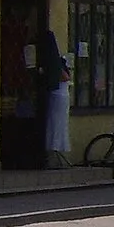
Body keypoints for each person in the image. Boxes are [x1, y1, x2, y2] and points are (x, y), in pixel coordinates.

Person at [38, 25, 71, 166]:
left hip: (58, 95)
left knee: (55, 124)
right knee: (57, 124)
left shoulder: (54, 60)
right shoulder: (55, 58)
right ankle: (55, 151)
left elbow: (65, 77)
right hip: (60, 95)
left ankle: (54, 150)